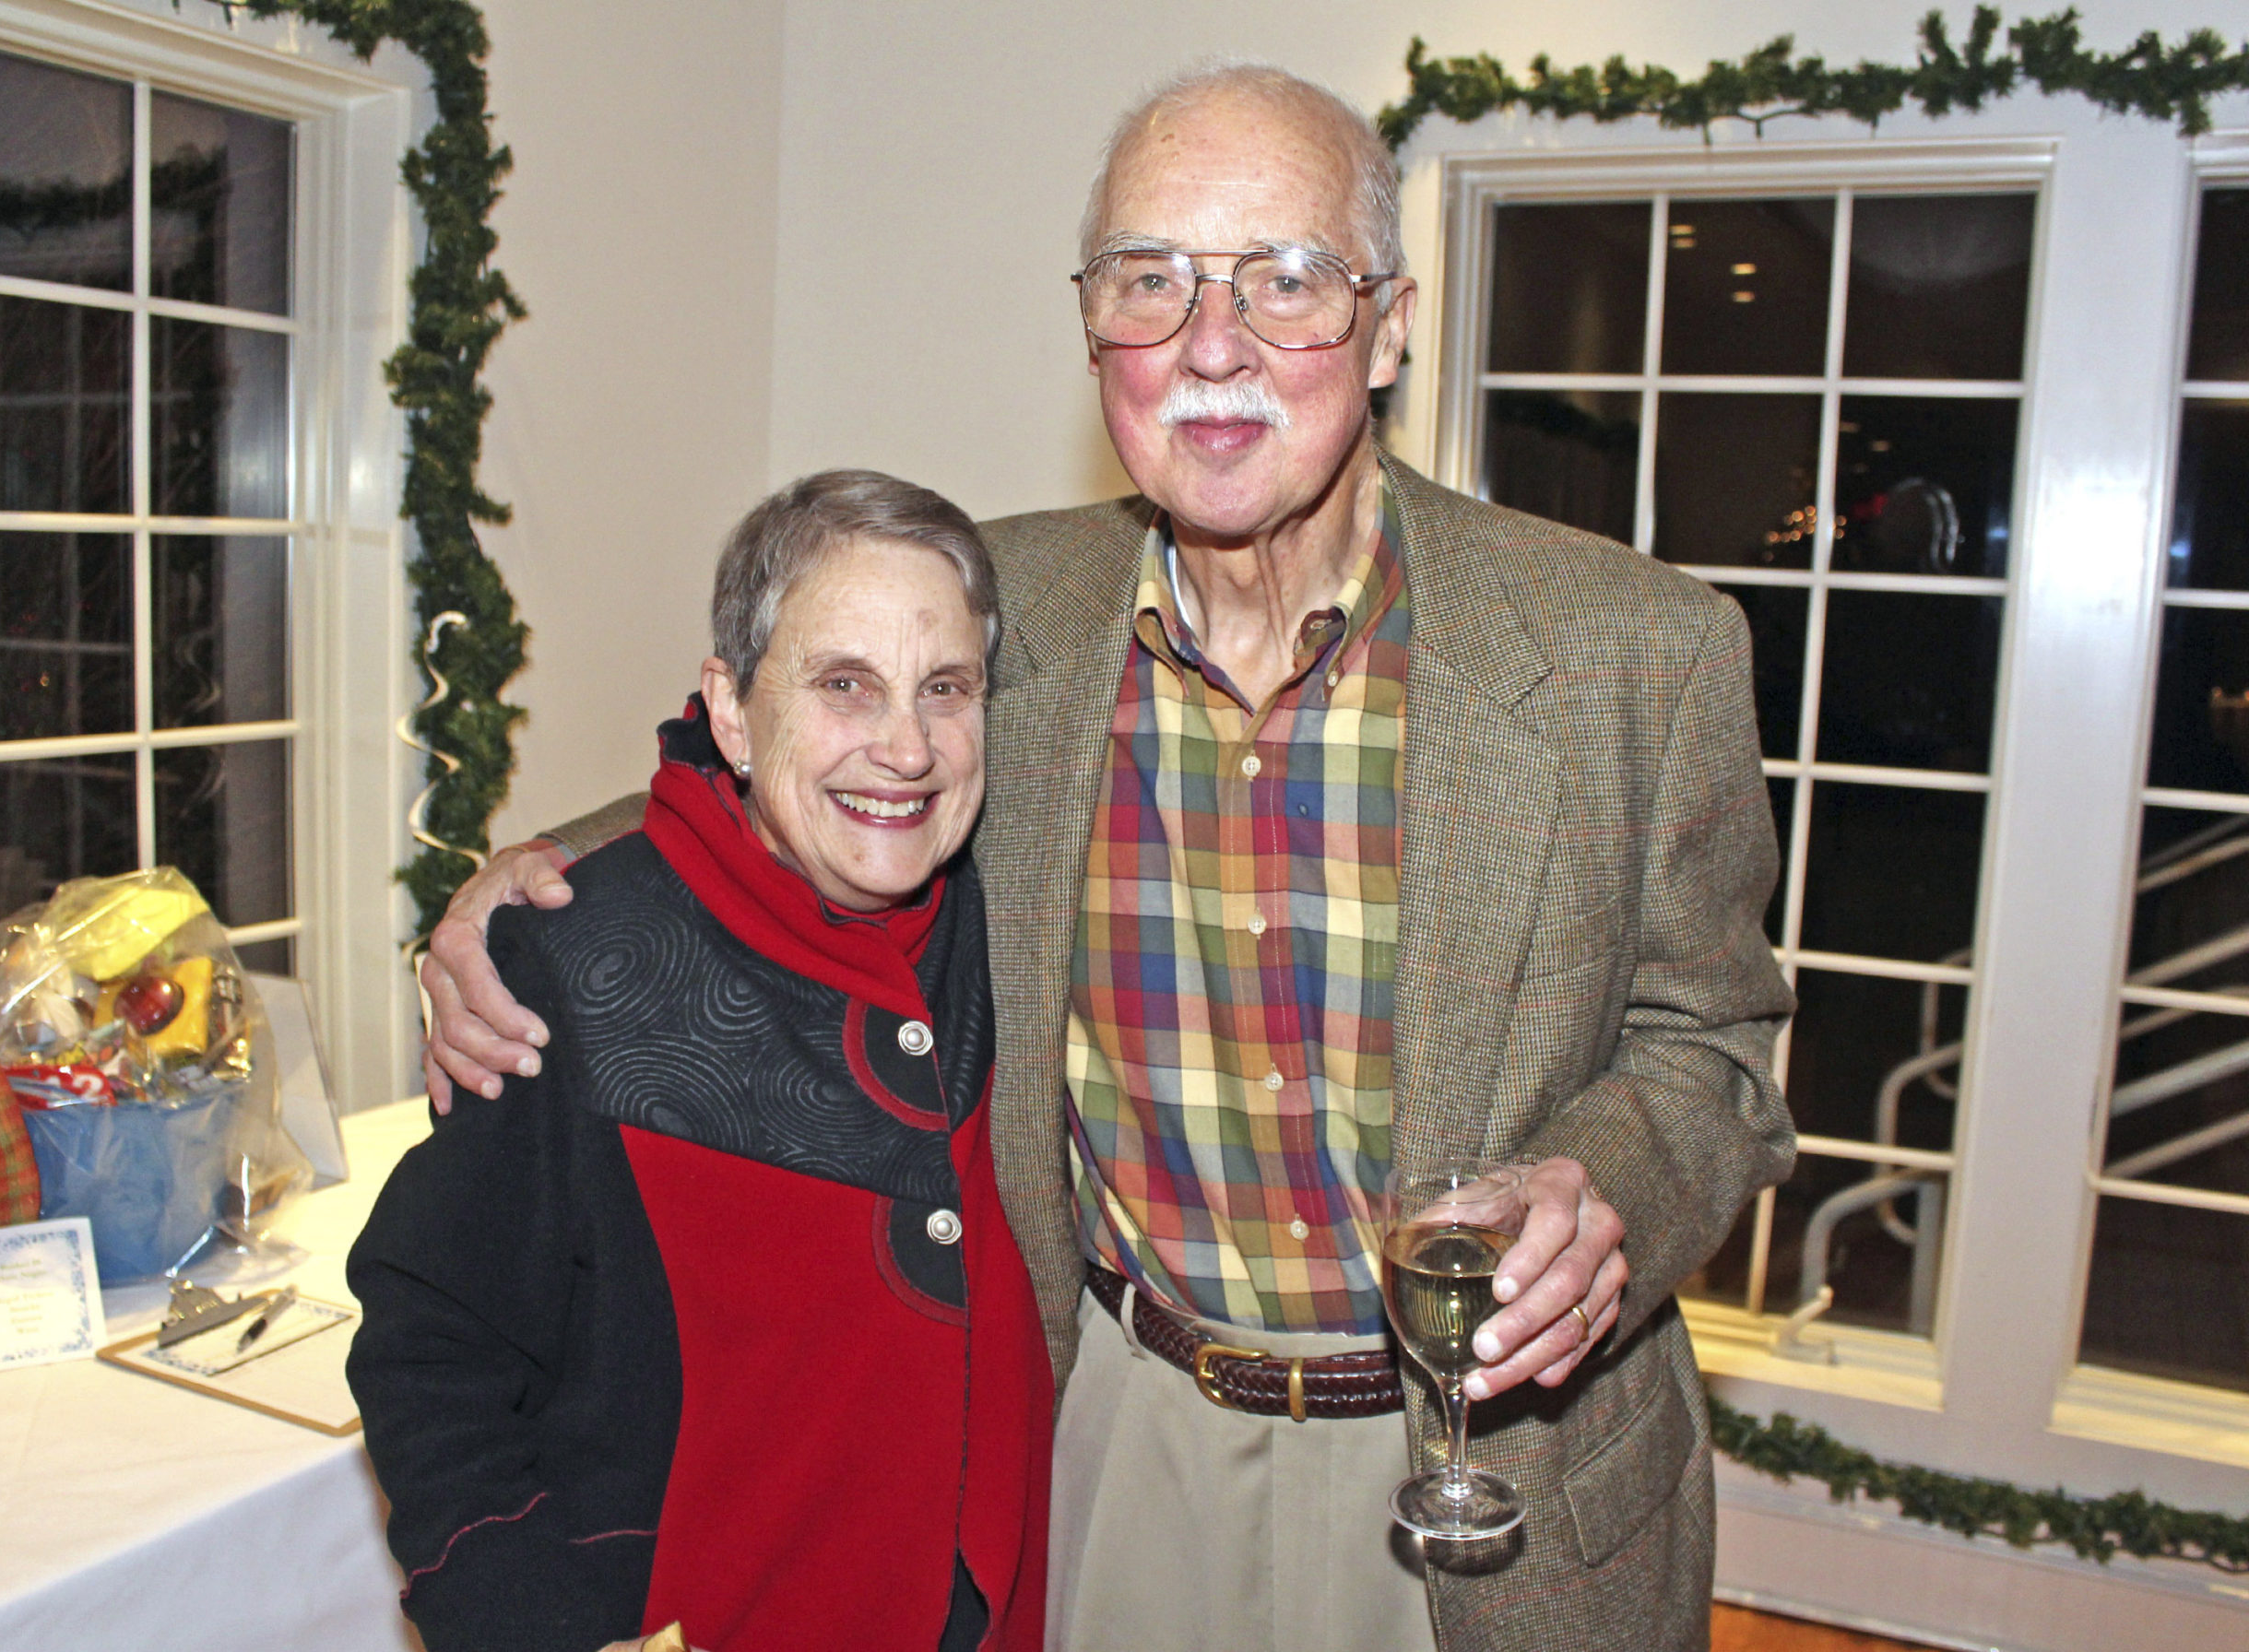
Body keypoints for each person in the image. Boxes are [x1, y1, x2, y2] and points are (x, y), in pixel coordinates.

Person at [421, 65, 1795, 1652]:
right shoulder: (1004, 608)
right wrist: (516, 877)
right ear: (1097, 334)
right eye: (1153, 282)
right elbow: (796, 752)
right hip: (1124, 1440)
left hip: (1505, 1480)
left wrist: (1604, 1183)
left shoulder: (1635, 650)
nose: (1212, 346)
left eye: (1285, 281)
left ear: (1392, 326)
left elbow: (1718, 1047)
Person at [348, 471, 1052, 1652]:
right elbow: (429, 1339)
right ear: (729, 709)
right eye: (844, 686)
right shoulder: (575, 964)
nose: (907, 747)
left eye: (946, 689)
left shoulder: (998, 916)